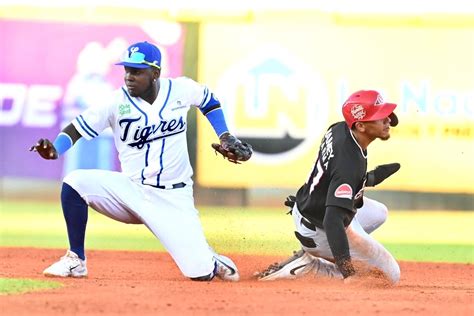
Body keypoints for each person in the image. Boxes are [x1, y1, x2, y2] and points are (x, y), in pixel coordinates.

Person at [30, 41, 252, 282]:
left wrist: (225, 135)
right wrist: (56, 149)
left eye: (137, 71)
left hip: (174, 198)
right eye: (126, 70)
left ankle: (209, 259)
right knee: (74, 182)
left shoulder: (180, 89)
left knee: (200, 274)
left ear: (155, 73)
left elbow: (208, 100)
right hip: (132, 191)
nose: (129, 76)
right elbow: (76, 128)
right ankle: (76, 260)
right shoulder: (115, 102)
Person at [257, 90, 401, 285]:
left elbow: (335, 176)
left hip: (310, 207)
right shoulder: (349, 163)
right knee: (390, 276)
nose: (387, 120)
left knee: (379, 213)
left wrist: (370, 178)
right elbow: (333, 220)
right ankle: (312, 265)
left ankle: (333, 251)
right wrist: (349, 272)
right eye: (379, 117)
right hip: (320, 227)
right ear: (360, 125)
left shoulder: (340, 129)